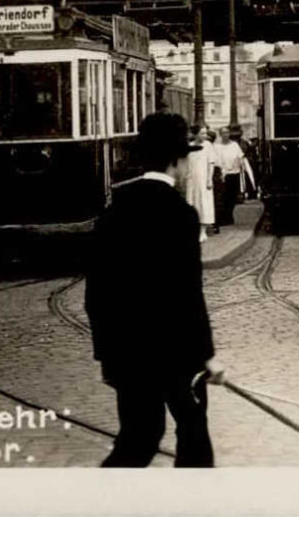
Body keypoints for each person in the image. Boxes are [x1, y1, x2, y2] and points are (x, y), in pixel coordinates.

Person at [85, 112, 224, 467]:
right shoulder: (180, 214)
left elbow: (96, 292)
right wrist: (206, 354)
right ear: (179, 162)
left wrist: (108, 354)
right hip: (175, 355)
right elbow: (188, 292)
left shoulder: (113, 210)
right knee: (193, 434)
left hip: (126, 354)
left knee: (139, 436)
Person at [186, 126, 216, 237]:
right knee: (192, 203)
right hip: (191, 180)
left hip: (203, 180)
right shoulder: (190, 146)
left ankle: (203, 231)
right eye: (202, 133)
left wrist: (209, 179)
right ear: (196, 134)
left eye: (205, 133)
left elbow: (211, 163)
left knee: (203, 204)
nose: (204, 136)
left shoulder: (208, 146)